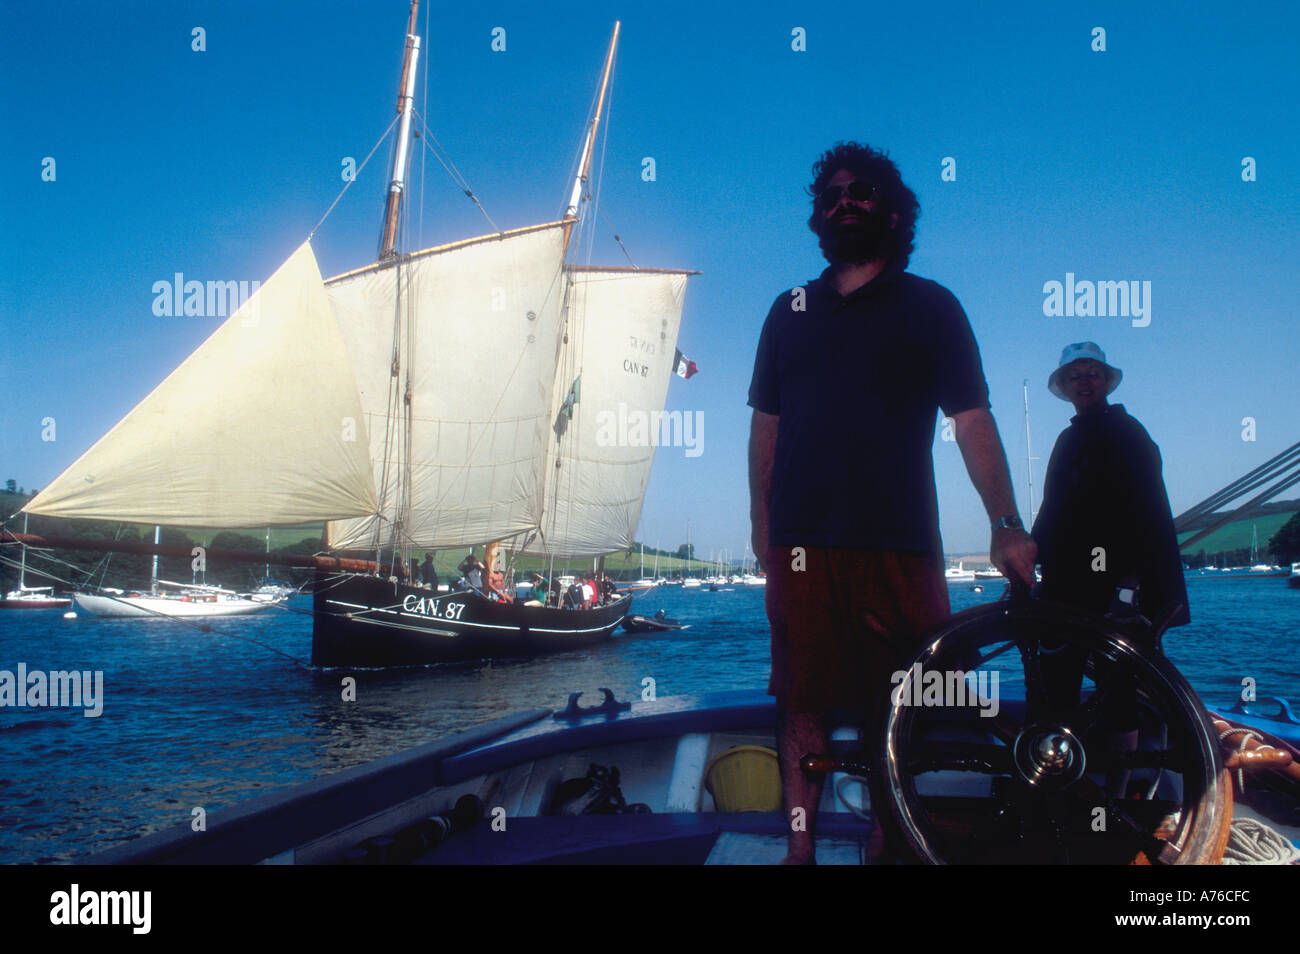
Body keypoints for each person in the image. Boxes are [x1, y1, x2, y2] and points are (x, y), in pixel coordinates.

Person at [747, 141, 1036, 864]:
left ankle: (888, 848)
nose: (846, 200)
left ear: (894, 210)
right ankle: (800, 851)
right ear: (819, 214)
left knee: (905, 701)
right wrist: (762, 527)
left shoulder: (934, 308)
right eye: (833, 193)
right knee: (802, 699)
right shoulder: (788, 311)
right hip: (802, 543)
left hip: (901, 543)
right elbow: (765, 428)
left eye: (863, 190)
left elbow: (972, 421)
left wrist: (1006, 525)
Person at [1030, 342, 1190, 795]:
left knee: (1118, 692)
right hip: (1064, 587)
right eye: (1075, 375)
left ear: (1105, 382)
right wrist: (1027, 559)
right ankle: (1055, 786)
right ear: (1064, 386)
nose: (1084, 381)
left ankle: (1117, 795)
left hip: (1115, 591)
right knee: (1056, 689)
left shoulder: (1129, 434)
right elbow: (1052, 511)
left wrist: (1129, 589)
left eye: (1092, 373)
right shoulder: (1068, 439)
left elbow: (1147, 516)